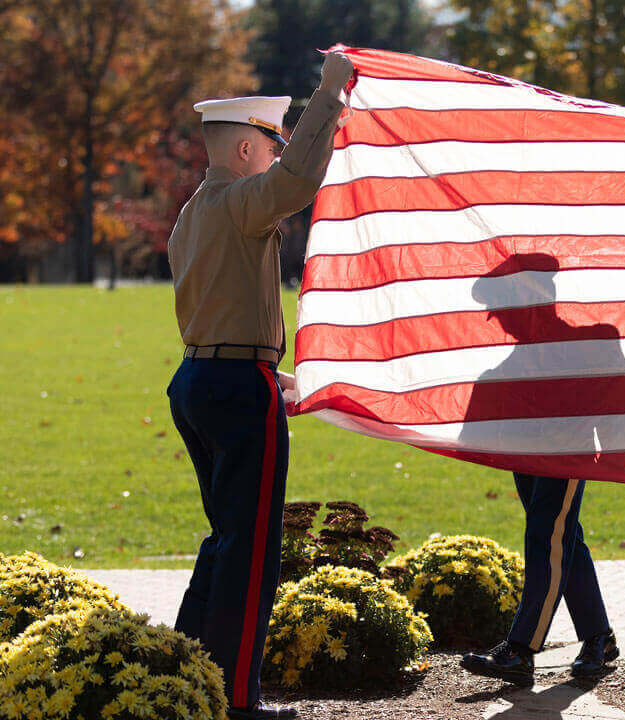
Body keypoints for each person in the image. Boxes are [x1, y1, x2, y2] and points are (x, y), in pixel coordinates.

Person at [166, 52, 353, 720]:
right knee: (250, 557)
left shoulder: (196, 211)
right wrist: (328, 95)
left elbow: (217, 306)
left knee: (224, 541)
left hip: (200, 378)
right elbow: (299, 177)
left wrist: (269, 370)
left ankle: (185, 677)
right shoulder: (241, 202)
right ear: (247, 146)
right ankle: (238, 701)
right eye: (269, 145)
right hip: (237, 388)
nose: (275, 156)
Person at [458, 253, 625, 686]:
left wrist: (615, 457)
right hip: (529, 463)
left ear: (533, 302)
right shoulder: (510, 368)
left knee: (545, 539)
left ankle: (521, 649)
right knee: (563, 542)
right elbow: (475, 431)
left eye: (504, 312)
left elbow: (620, 400)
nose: (501, 323)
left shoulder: (589, 343)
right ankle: (599, 637)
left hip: (567, 458)